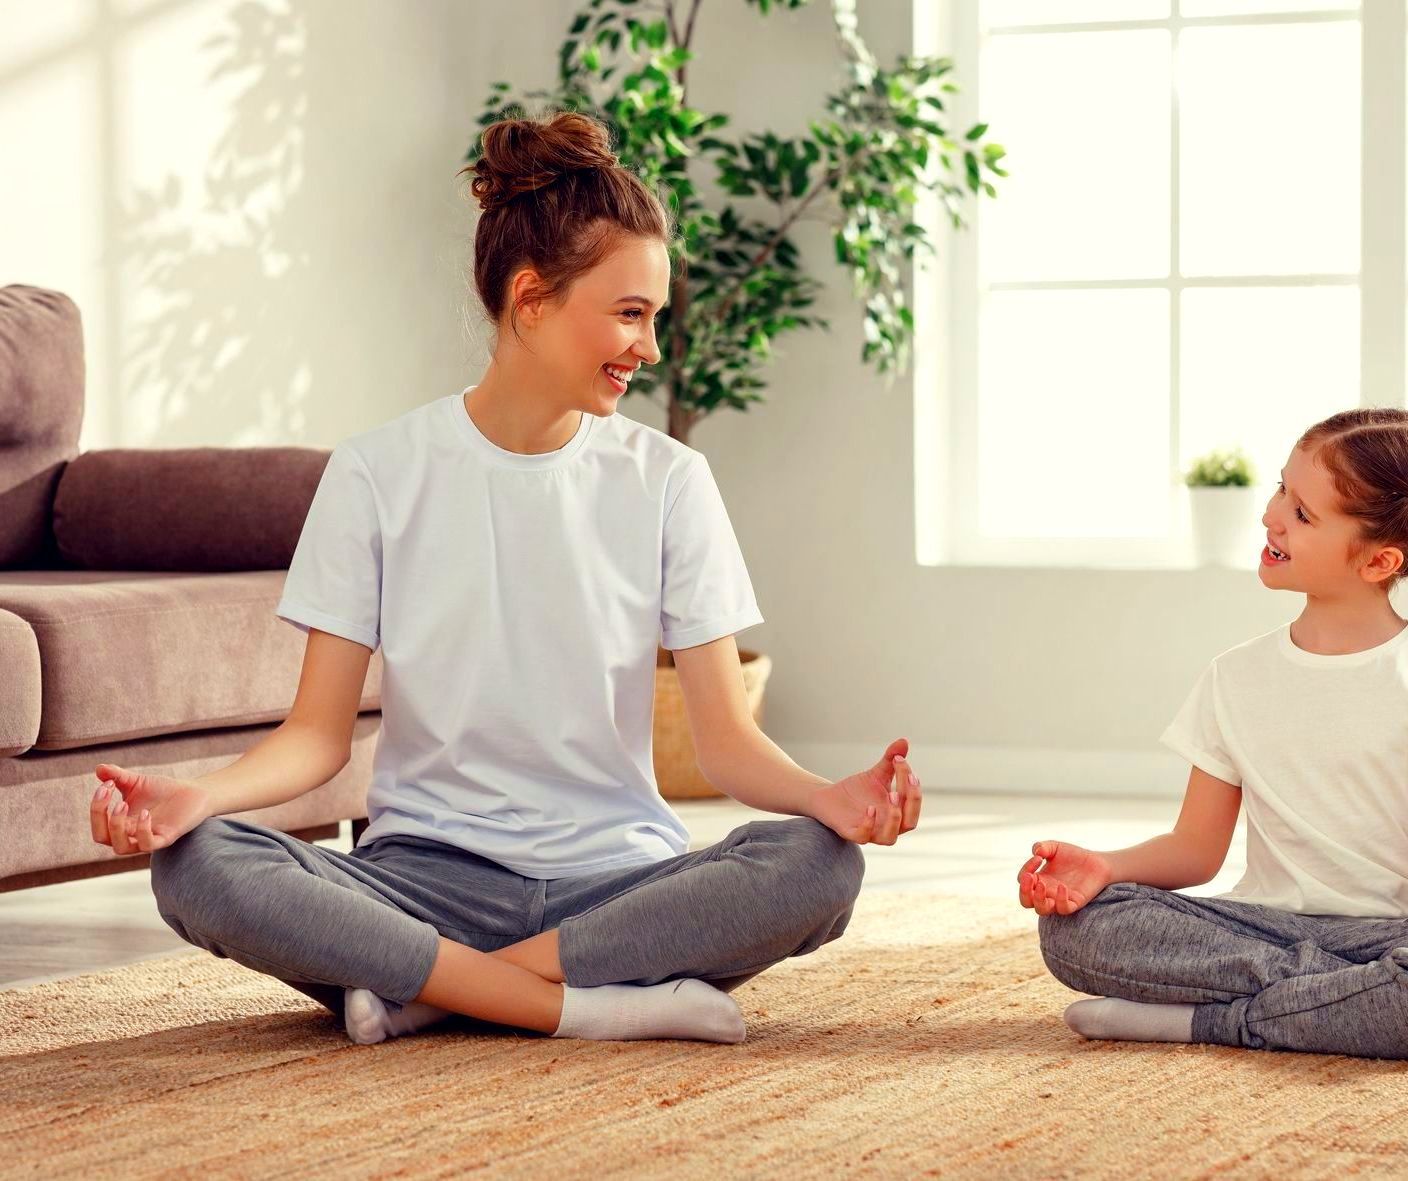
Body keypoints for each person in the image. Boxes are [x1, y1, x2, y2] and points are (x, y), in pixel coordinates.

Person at [89, 110, 923, 1046]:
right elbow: (315, 740)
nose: (648, 347)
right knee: (198, 865)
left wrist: (828, 798)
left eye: (654, 317)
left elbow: (725, 744)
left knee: (818, 864)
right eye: (629, 313)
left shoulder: (667, 481)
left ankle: (435, 992)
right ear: (531, 298)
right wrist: (199, 798)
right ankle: (582, 1004)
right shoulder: (377, 472)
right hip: (421, 880)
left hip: (616, 884)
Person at [1019, 408, 1408, 1060]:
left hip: (1389, 933)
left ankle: (1202, 1021)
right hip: (1257, 926)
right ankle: (1331, 1003)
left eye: (1302, 513)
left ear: (1378, 560)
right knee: (1074, 929)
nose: (1271, 514)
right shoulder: (1233, 675)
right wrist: (1106, 867)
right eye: (1280, 488)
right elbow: (1195, 848)